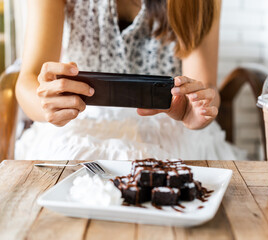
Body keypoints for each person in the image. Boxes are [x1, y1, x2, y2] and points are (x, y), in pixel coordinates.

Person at [15, 0, 245, 160]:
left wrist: (195, 110)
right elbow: (28, 81)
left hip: (173, 131)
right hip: (78, 127)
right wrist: (45, 103)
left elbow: (205, 88)